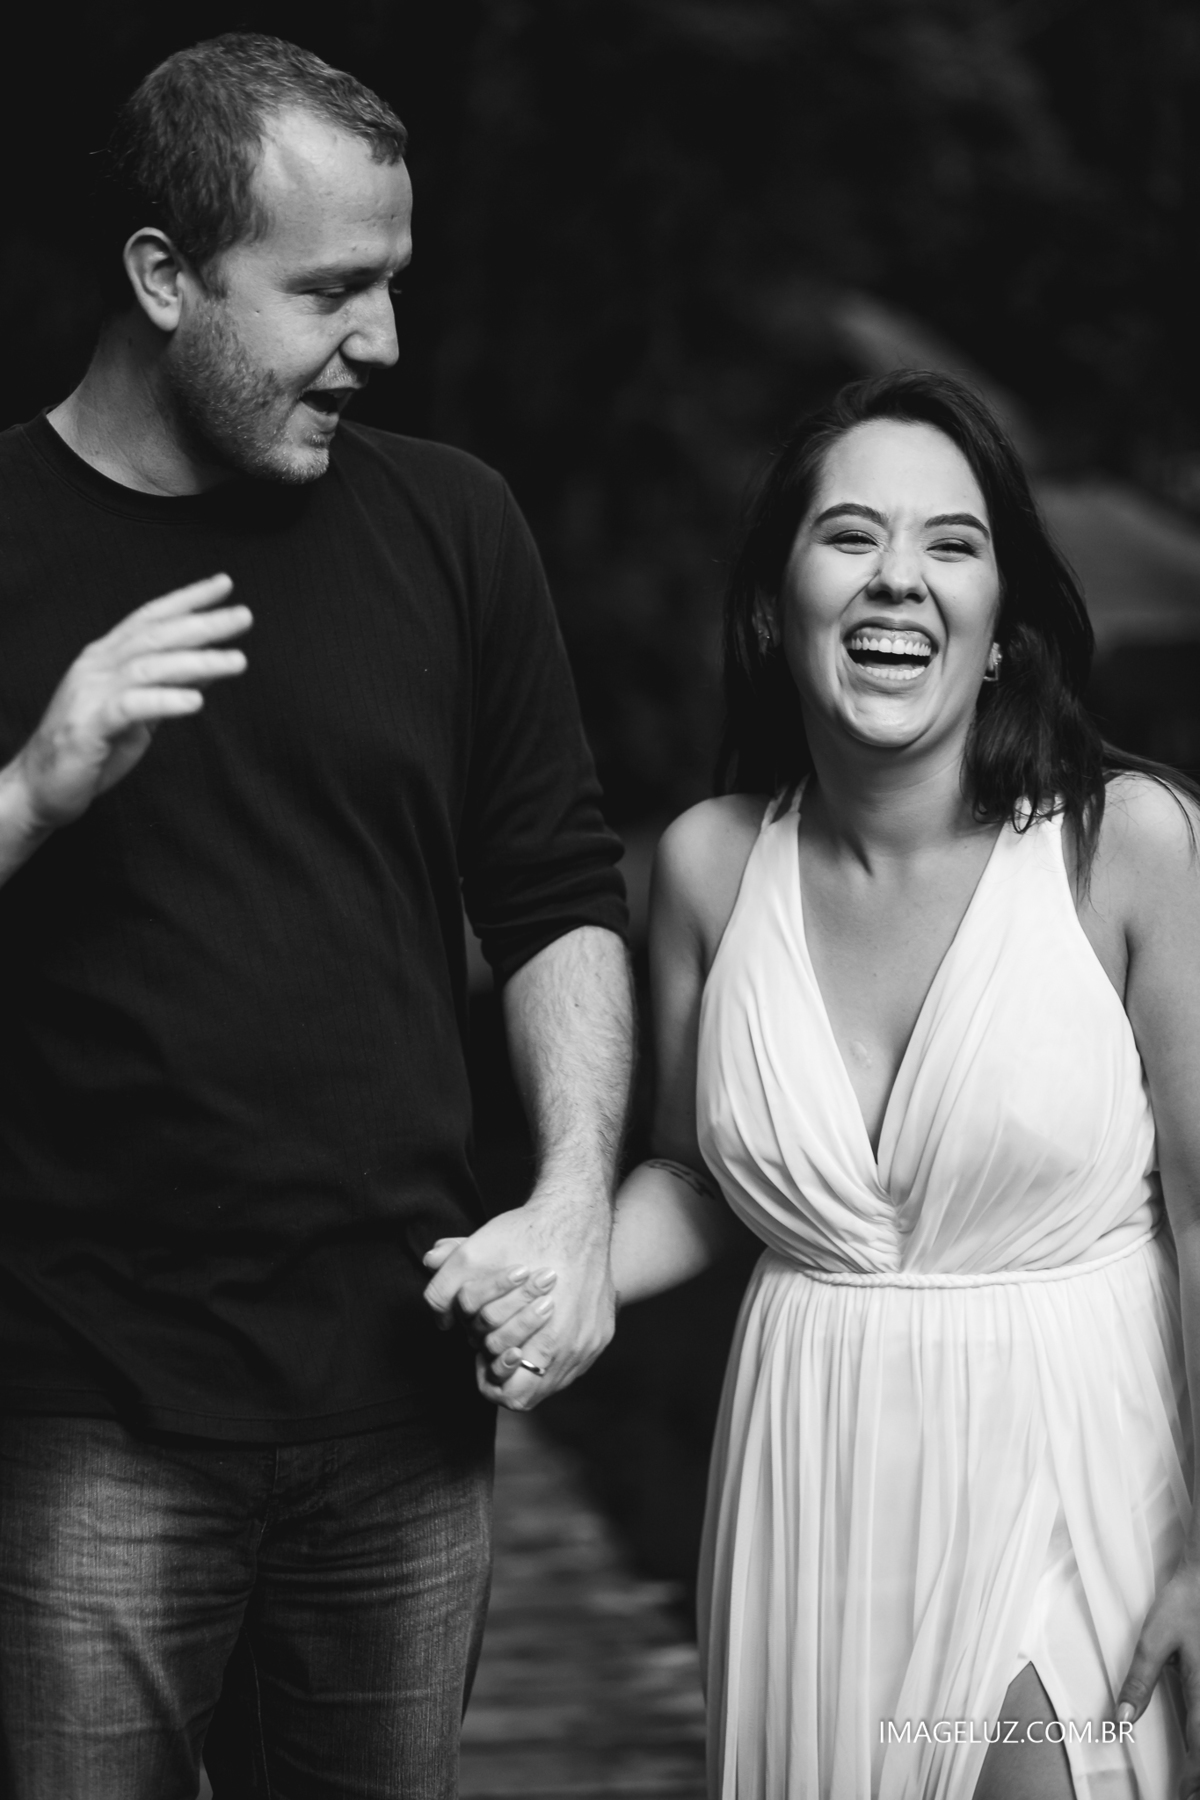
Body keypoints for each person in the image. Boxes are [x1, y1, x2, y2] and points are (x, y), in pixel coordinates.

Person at [0, 31, 632, 1800]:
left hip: (404, 1408)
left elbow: (554, 889)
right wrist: (32, 787)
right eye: (331, 290)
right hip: (84, 1418)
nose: (386, 341)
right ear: (163, 277)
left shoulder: (455, 526)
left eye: (393, 282)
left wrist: (576, 1198)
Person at [594, 370, 1200, 1798]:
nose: (899, 578)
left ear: (999, 631)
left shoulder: (1129, 847)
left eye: (952, 544)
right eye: (852, 535)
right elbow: (695, 1178)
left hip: (1074, 1456)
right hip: (813, 1477)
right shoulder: (707, 867)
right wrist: (555, 1273)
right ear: (776, 606)